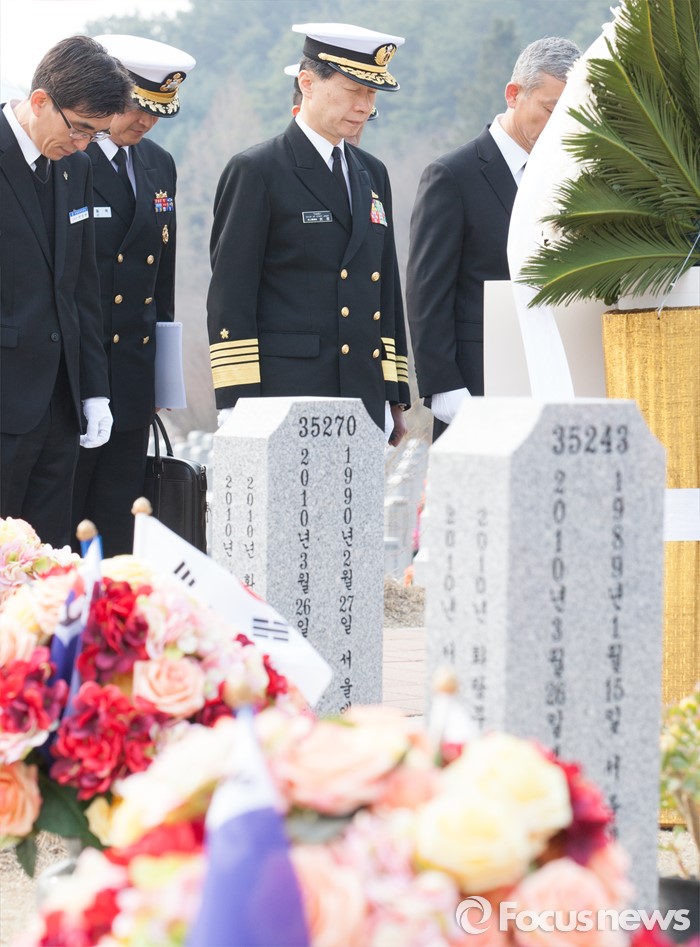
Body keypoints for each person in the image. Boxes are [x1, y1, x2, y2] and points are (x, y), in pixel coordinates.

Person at [208, 23, 411, 445]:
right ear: (308, 83)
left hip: (363, 392)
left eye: (371, 94)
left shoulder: (372, 173)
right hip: (286, 392)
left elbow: (385, 288)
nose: (364, 106)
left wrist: (394, 392)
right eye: (353, 90)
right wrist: (235, 399)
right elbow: (232, 293)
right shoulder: (258, 170)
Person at [406, 36, 581, 438]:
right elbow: (427, 291)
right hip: (477, 387)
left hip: (558, 380)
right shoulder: (452, 176)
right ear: (514, 94)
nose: (560, 125)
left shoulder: (570, 176)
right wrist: (446, 390)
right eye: (551, 109)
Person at [0, 36, 133, 548]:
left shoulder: (76, 168)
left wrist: (94, 390)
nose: (82, 144)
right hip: (7, 397)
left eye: (95, 134)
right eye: (78, 128)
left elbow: (81, 288)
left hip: (60, 403)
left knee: (48, 555)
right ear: (39, 101)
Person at [70, 35, 196, 557]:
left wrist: (163, 374)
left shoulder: (158, 164)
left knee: (121, 515)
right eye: (136, 108)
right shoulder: (69, 156)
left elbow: (160, 278)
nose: (146, 122)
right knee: (68, 512)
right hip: (78, 365)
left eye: (158, 112)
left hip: (134, 370)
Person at [287, 63, 378, 147]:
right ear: (308, 84)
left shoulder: (364, 160)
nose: (365, 108)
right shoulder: (280, 157)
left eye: (372, 92)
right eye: (351, 89)